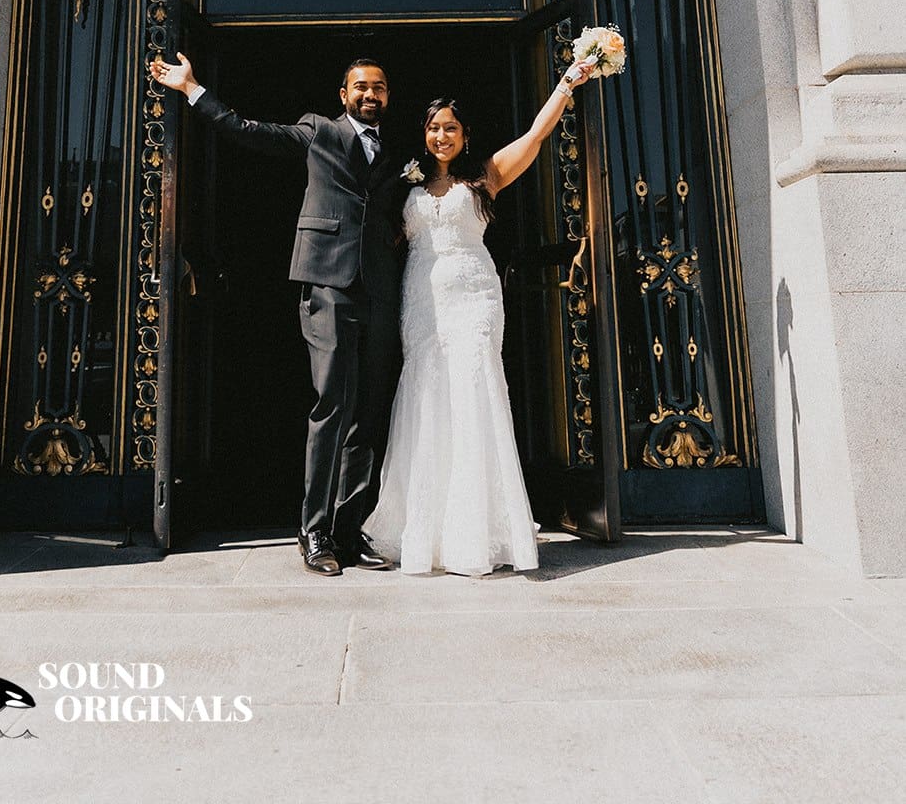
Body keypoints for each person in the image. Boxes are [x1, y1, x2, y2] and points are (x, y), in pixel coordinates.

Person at [150, 50, 405, 577]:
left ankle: (348, 528)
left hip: (378, 290)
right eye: (361, 87)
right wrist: (193, 89)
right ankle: (313, 532)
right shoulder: (320, 131)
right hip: (328, 283)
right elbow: (248, 130)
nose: (370, 95)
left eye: (378, 88)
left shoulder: (397, 152)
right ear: (344, 95)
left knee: (367, 413)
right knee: (332, 405)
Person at [364, 56, 596, 577]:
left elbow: (536, 135)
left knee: (473, 394)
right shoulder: (408, 185)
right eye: (432, 127)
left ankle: (477, 532)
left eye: (449, 127)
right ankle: (425, 529)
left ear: (465, 134)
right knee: (426, 397)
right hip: (422, 303)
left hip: (474, 298)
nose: (440, 135)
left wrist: (566, 82)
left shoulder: (484, 179)